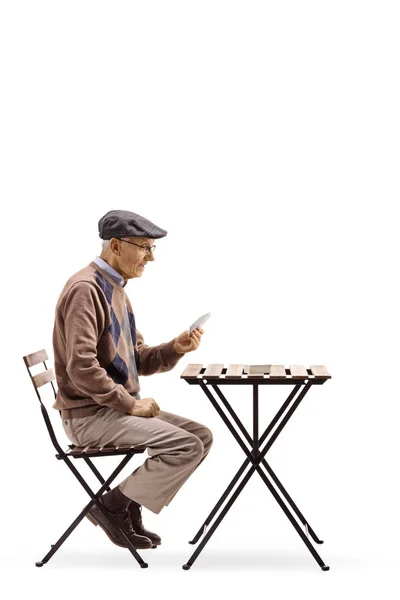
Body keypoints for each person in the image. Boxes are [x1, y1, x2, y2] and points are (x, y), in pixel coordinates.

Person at [52, 209, 213, 550]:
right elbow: (81, 368)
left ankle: (126, 504)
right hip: (89, 417)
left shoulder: (115, 289)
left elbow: (136, 359)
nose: (151, 257)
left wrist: (175, 348)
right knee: (187, 446)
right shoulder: (86, 290)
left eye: (152, 249)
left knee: (200, 436)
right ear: (115, 245)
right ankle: (112, 506)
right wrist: (130, 404)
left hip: (108, 410)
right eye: (144, 247)